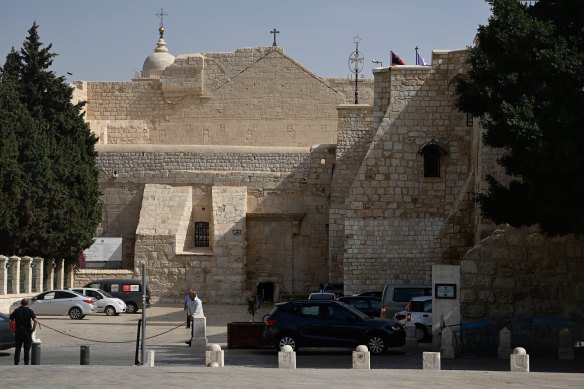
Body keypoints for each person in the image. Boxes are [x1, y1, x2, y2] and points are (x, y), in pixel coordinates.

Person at [9, 298, 38, 365]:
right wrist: (33, 329)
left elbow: (11, 320)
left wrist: (13, 329)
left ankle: (16, 363)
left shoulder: (16, 311)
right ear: (27, 304)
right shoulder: (30, 311)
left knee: (18, 348)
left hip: (18, 332)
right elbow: (35, 321)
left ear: (21, 303)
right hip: (27, 332)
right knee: (26, 349)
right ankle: (26, 363)